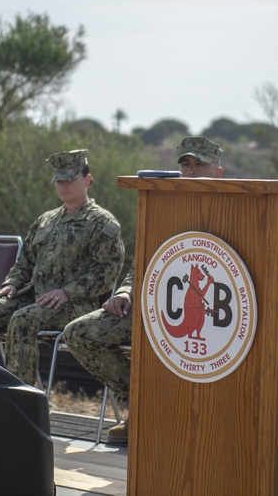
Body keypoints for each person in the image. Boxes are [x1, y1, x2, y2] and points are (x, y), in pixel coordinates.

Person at [0, 149, 125, 430]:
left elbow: (106, 272)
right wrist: (11, 284)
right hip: (33, 295)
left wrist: (67, 292)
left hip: (75, 303)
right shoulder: (46, 220)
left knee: (23, 321)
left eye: (71, 179)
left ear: (88, 180)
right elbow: (24, 261)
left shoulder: (103, 223)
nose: (63, 185)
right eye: (59, 180)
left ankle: (18, 407)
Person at [62, 136, 224, 444]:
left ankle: (188, 423)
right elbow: (144, 264)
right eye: (185, 165)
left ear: (217, 172)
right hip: (152, 309)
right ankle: (145, 407)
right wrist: (125, 293)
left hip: (208, 321)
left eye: (199, 165)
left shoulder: (236, 212)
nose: (190, 172)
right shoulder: (165, 209)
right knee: (79, 334)